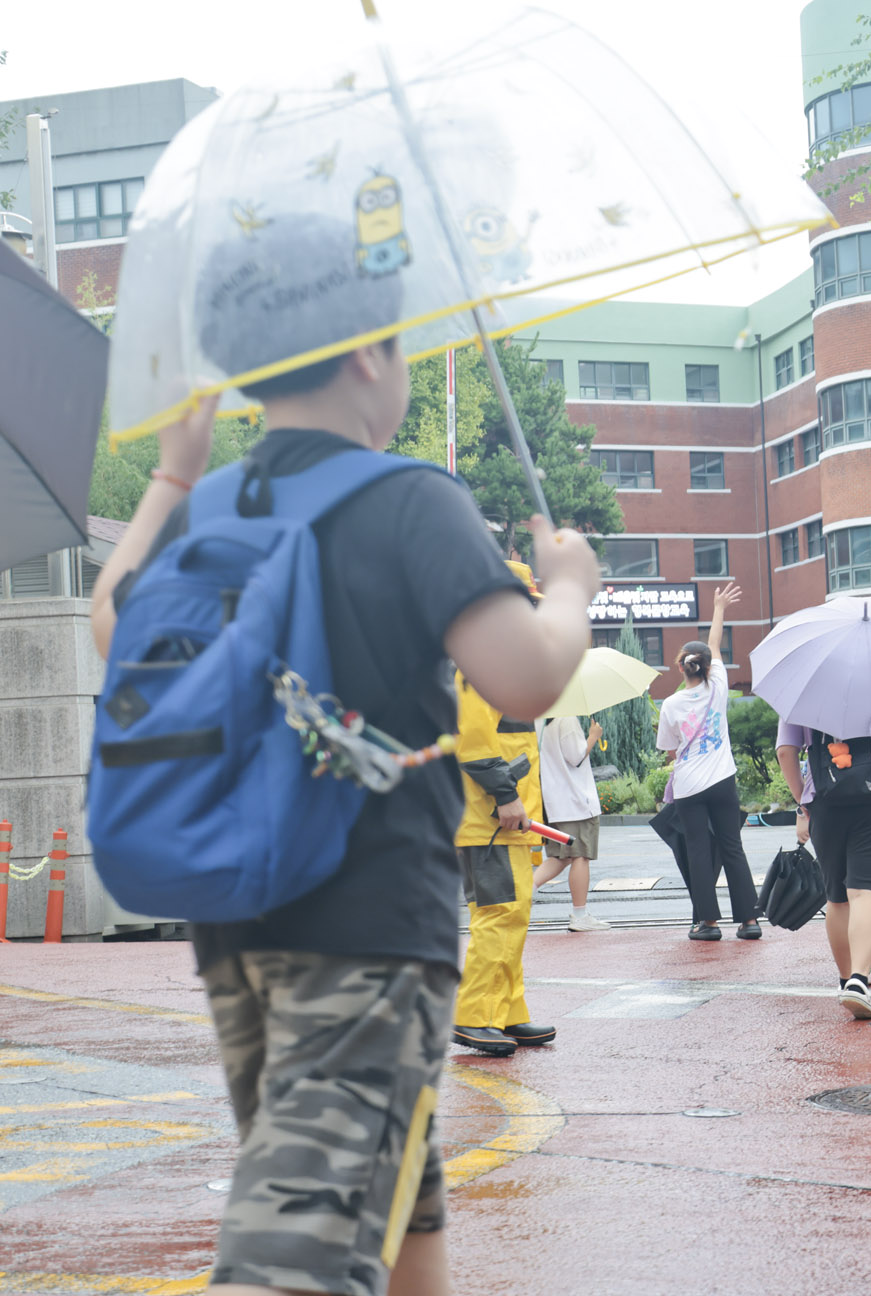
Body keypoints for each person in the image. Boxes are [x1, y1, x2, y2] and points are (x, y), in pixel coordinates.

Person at [89, 214, 599, 1294]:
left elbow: (110, 622)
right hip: (371, 916)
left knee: (386, 1179)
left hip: (236, 909)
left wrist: (175, 475)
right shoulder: (409, 498)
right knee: (301, 1236)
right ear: (371, 351)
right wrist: (568, 588)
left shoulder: (218, 505)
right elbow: (523, 677)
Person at [452, 578, 564, 1055]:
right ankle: (475, 1015)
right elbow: (474, 742)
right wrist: (505, 796)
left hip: (503, 821)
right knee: (498, 915)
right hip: (490, 821)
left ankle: (507, 1012)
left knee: (511, 915)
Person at [778, 723, 871, 1019]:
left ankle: (845, 981)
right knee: (865, 892)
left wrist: (803, 804)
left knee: (837, 897)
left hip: (825, 801)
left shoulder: (805, 687)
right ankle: (859, 980)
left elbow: (785, 751)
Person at [657, 583, 762, 941]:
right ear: (706, 667)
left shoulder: (670, 705)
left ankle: (709, 924)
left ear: (681, 668)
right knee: (733, 847)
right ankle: (749, 922)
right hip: (723, 781)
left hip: (689, 786)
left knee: (699, 851)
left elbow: (670, 749)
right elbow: (714, 645)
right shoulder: (718, 686)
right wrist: (719, 608)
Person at [536, 714, 608, 932]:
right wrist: (593, 736)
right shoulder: (566, 719)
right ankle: (579, 915)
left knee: (560, 856)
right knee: (580, 856)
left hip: (553, 801)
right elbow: (575, 756)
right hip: (575, 801)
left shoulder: (539, 719)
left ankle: (521, 893)